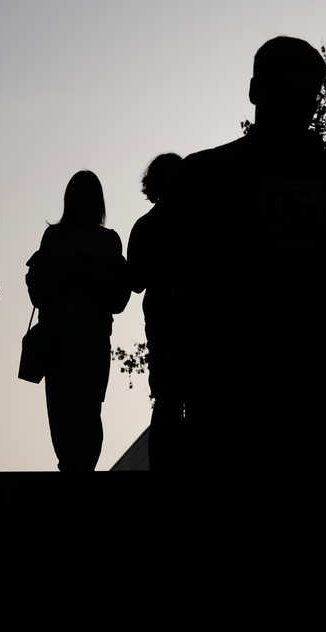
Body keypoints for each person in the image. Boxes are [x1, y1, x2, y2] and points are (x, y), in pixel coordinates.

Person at [152, 37, 326, 632]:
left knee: (239, 543)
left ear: (253, 91)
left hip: (250, 388)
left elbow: (176, 291)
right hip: (297, 388)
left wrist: (177, 390)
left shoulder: (206, 177)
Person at [26, 171, 129, 471]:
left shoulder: (108, 240)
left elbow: (116, 291)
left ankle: (82, 466)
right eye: (79, 194)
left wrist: (78, 273)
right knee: (63, 405)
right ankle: (72, 465)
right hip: (59, 335)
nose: (84, 200)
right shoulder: (55, 236)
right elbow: (40, 286)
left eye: (89, 194)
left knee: (88, 405)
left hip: (93, 336)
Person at [126, 153, 188, 471]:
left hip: (165, 319)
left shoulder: (145, 227)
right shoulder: (201, 223)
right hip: (190, 319)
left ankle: (165, 472)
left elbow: (135, 281)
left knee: (167, 399)